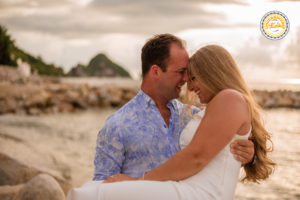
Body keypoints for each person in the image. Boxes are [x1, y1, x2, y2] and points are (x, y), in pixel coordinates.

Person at [67, 35, 259, 199]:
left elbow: (215, 151)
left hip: (188, 194)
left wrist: (249, 153)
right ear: (156, 71)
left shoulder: (192, 116)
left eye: (191, 76)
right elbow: (106, 181)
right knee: (92, 193)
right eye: (181, 72)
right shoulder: (117, 125)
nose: (186, 82)